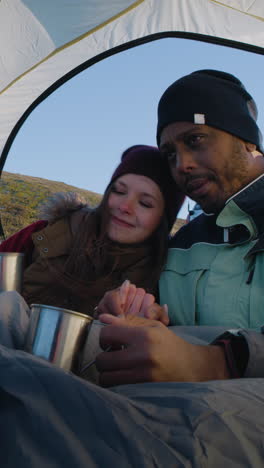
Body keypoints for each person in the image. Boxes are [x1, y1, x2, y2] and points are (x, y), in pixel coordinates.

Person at [95, 69, 264, 385]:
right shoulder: (181, 245)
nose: (181, 164)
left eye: (195, 140)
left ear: (246, 139)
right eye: (170, 153)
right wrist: (138, 313)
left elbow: (203, 363)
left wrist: (219, 362)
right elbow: (161, 330)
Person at [0, 145, 184, 323]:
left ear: (163, 220)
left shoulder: (166, 280)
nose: (125, 206)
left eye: (145, 203)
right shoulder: (47, 232)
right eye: (118, 191)